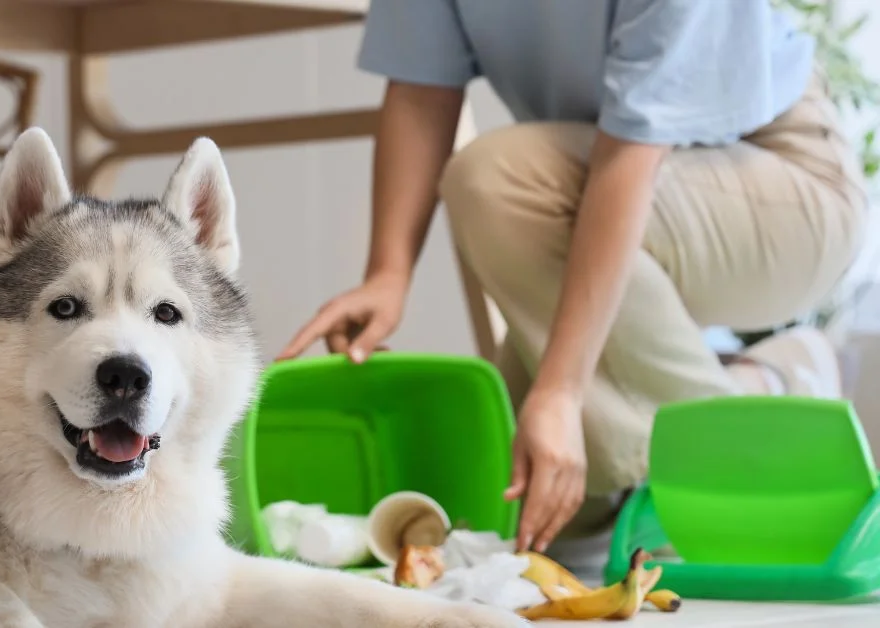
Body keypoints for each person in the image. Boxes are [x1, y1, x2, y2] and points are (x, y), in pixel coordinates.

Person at [278, 0, 867, 559]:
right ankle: (766, 384)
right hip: (596, 188)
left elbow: (630, 157)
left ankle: (736, 465)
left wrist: (562, 391)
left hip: (783, 179)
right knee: (504, 504)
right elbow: (421, 87)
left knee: (494, 179)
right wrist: (388, 274)